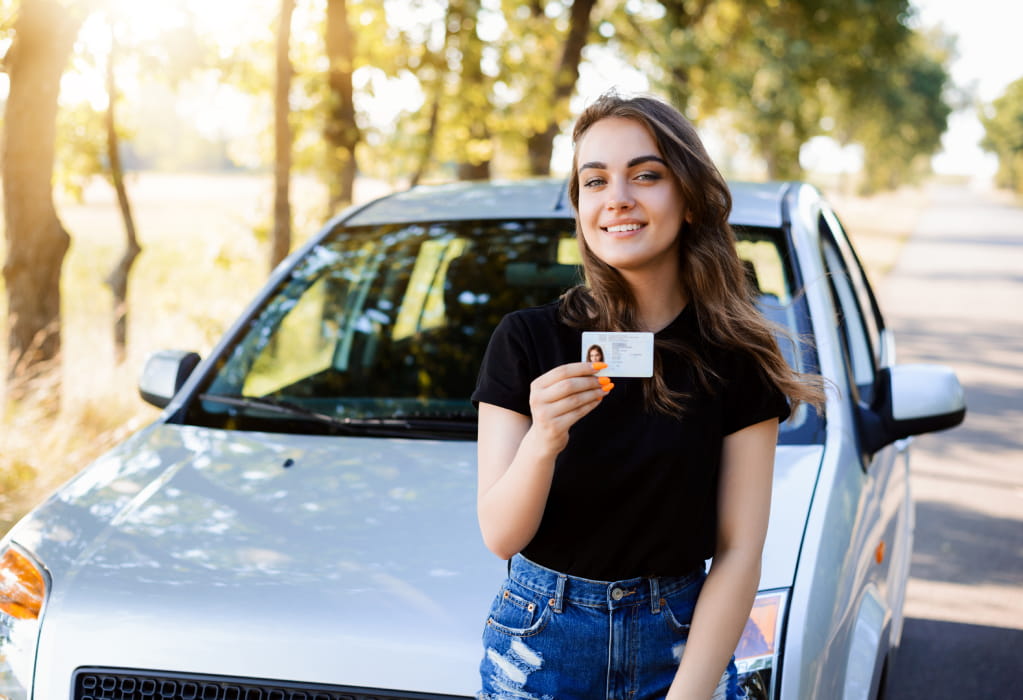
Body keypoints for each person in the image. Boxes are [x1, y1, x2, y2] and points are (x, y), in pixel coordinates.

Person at [471, 91, 823, 700]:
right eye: (596, 181)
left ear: (688, 198)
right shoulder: (526, 340)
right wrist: (544, 440)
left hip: (684, 644)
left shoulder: (736, 356)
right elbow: (501, 536)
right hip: (540, 643)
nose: (618, 198)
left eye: (646, 175)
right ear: (580, 206)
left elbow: (741, 552)